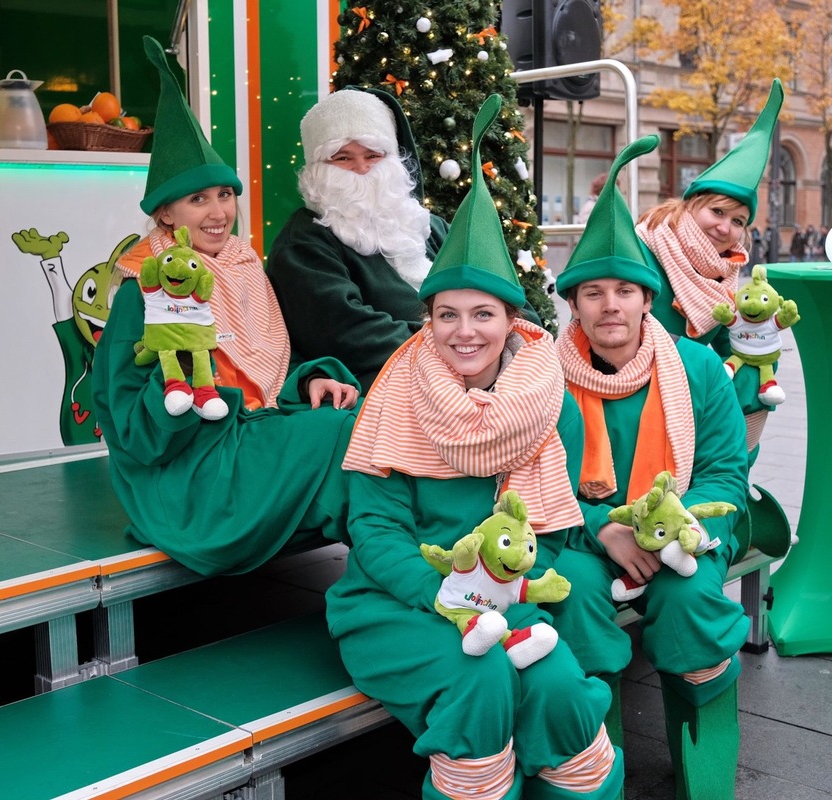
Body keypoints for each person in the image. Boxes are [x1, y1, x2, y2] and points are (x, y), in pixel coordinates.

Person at [327, 95, 624, 800]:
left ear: (511, 321)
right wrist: (449, 594)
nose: (465, 331)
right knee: (481, 676)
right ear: (426, 321)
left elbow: (552, 529)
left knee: (557, 688)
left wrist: (505, 593)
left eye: (482, 314)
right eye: (447, 315)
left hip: (509, 602)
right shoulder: (393, 396)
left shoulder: (542, 402)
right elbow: (372, 526)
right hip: (398, 604)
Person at [92, 36, 359, 576]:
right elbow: (133, 431)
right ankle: (401, 581)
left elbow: (260, 379)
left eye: (226, 195)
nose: (219, 213)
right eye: (199, 199)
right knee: (338, 436)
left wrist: (307, 384)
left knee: (347, 415)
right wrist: (181, 390)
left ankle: (394, 566)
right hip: (190, 471)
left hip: (247, 437)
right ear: (166, 213)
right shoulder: (145, 287)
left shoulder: (243, 266)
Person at [550, 134, 751, 799]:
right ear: (574, 305)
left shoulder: (695, 369)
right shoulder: (540, 381)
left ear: (646, 299)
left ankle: (706, 735)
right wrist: (600, 526)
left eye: (625, 291)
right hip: (579, 535)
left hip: (683, 536)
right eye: (593, 292)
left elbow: (724, 473)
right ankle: (587, 741)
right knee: (572, 590)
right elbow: (527, 484)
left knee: (690, 595)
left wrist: (673, 530)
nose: (611, 305)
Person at [634, 79, 784, 461]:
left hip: (693, 390)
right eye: (717, 212)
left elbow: (724, 342)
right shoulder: (648, 248)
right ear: (691, 205)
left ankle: (730, 478)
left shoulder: (725, 272)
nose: (725, 228)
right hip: (640, 389)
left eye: (738, 221)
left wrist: (760, 343)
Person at [266, 87, 449, 391]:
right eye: (343, 158)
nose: (361, 169)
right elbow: (343, 331)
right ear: (317, 168)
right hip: (390, 389)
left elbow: (500, 293)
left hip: (471, 373)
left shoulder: (433, 227)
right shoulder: (303, 242)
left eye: (373, 155)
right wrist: (453, 344)